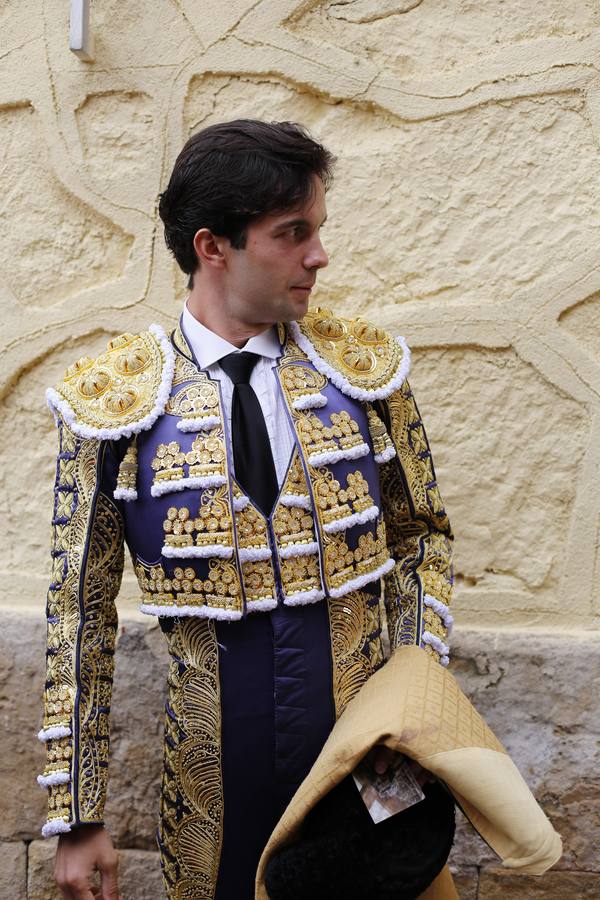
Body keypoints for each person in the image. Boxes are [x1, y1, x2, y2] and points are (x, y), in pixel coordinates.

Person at [37, 119, 454, 900]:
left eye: (318, 230)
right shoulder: (114, 401)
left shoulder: (364, 371)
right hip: (211, 776)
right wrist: (78, 813)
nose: (318, 255)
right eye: (291, 233)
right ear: (213, 246)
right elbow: (77, 612)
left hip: (366, 759)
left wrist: (417, 715)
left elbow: (424, 542)